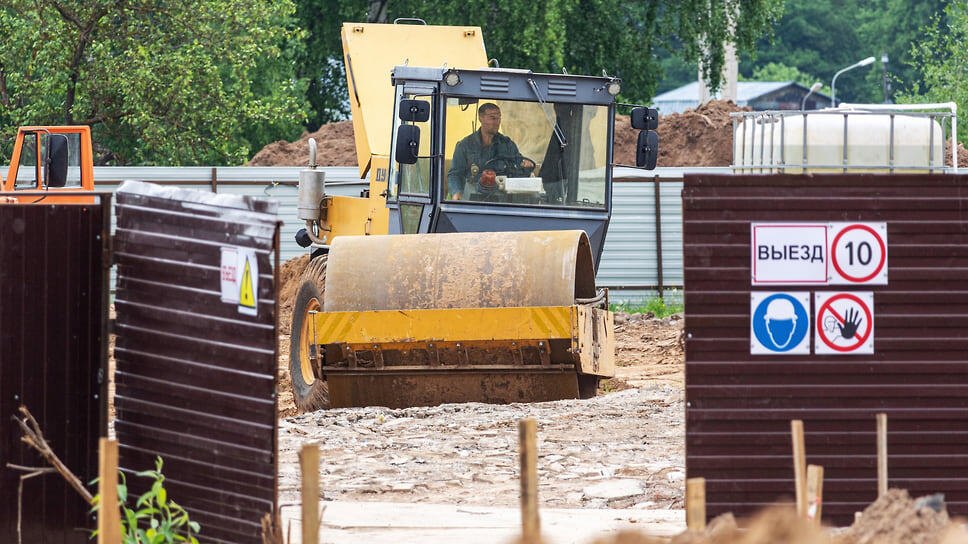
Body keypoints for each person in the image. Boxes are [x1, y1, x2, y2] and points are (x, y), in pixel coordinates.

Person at [447, 103, 535, 200]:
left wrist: (525, 165)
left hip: (503, 201)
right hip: (474, 201)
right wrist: (456, 192)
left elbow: (519, 163)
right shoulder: (464, 146)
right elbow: (455, 174)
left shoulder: (507, 144)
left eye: (499, 118)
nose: (497, 122)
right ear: (481, 118)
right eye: (493, 118)